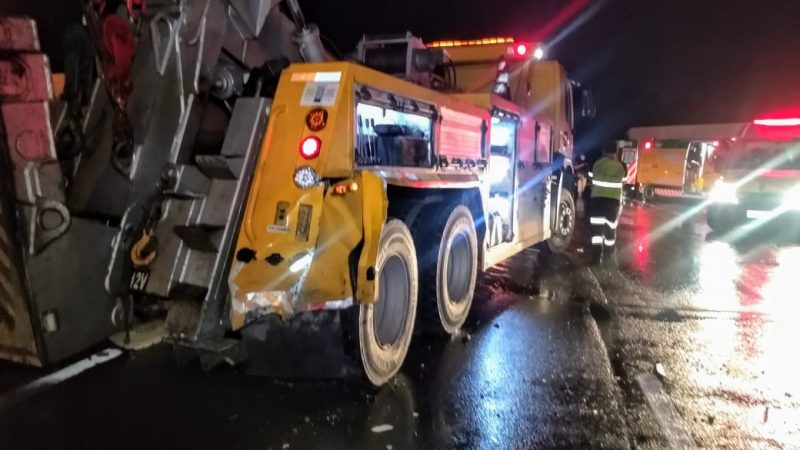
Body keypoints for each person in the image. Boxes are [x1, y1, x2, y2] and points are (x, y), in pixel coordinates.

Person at [589, 144, 626, 265]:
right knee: (610, 229)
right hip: (613, 202)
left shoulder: (597, 164)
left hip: (597, 201)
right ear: (616, 152)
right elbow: (624, 182)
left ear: (604, 151)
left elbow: (590, 178)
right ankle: (608, 257)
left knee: (596, 230)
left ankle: (596, 258)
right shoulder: (621, 166)